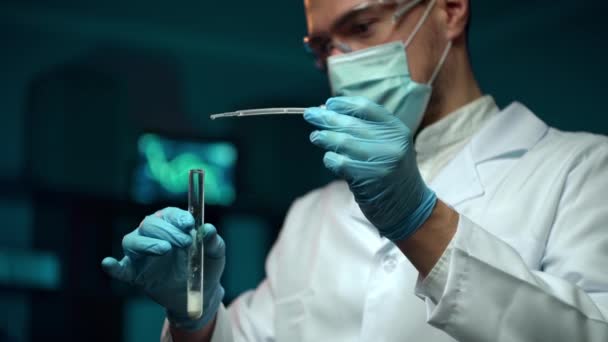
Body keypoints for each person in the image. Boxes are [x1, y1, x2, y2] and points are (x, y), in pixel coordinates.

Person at [102, 0, 608, 341]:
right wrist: (194, 316)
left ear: (450, 10)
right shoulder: (311, 214)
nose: (339, 64)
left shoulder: (580, 171)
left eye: (362, 27)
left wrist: (418, 219)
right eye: (322, 47)